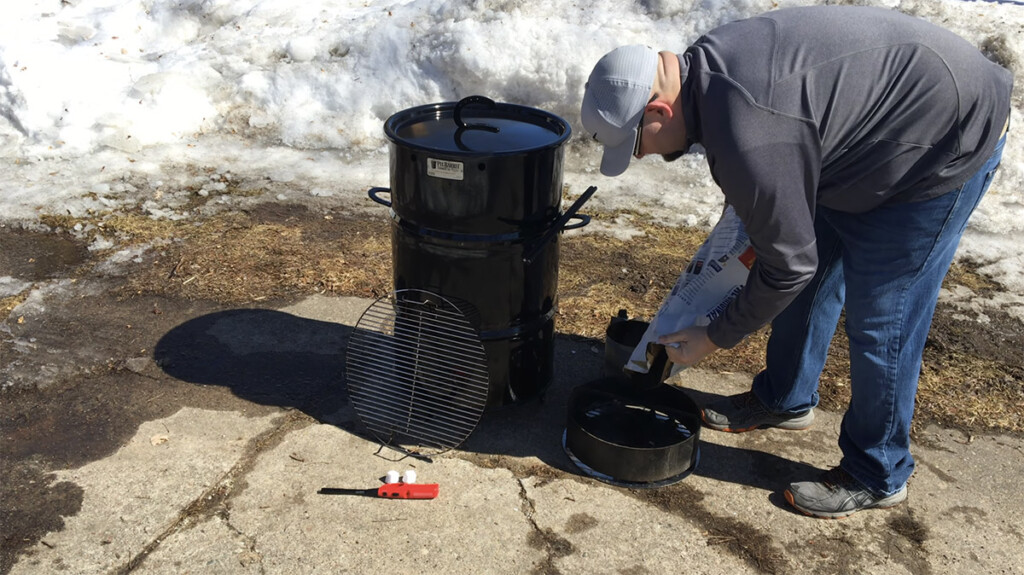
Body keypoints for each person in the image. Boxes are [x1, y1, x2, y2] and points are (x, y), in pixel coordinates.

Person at [581, 5, 1012, 518]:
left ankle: (878, 471)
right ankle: (785, 397)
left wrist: (716, 334)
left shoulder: (749, 131)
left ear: (659, 111)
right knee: (804, 267)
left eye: (637, 145)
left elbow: (786, 264)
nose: (642, 158)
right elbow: (783, 219)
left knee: (882, 319)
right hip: (866, 133)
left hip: (941, 139)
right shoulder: (709, 72)